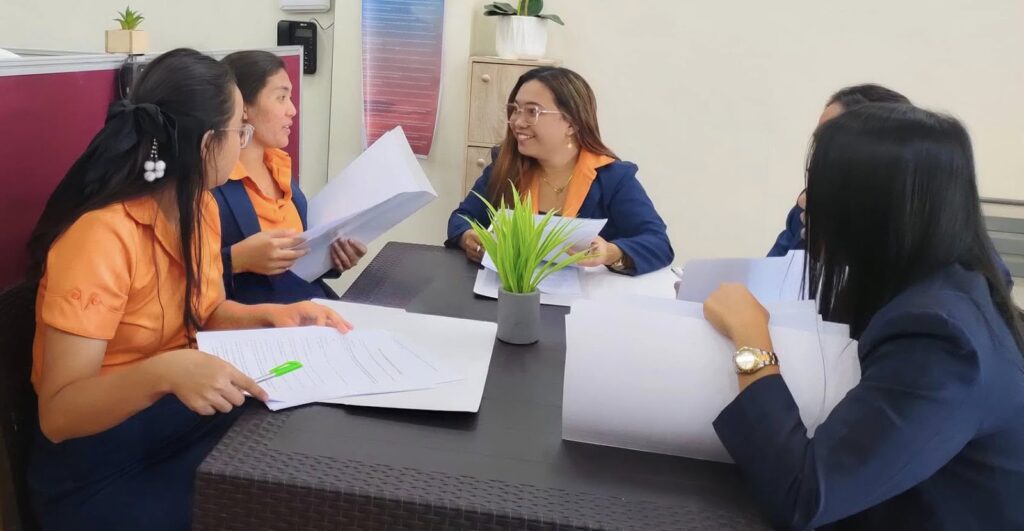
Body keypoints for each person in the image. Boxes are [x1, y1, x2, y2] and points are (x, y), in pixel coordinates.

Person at [24, 49, 350, 531]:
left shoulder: (199, 209)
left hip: (176, 419)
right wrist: (165, 372)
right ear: (204, 145)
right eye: (239, 131)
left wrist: (273, 316)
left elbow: (204, 311)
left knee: (300, 469)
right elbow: (58, 412)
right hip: (100, 461)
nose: (244, 143)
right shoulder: (101, 238)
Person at [706, 103, 1024, 529]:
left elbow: (803, 495)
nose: (804, 202)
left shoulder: (941, 338)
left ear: (873, 205)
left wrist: (751, 340)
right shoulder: (944, 285)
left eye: (819, 185)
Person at [445, 67, 673, 275]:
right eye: (515, 110)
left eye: (532, 111)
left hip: (584, 305)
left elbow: (658, 244)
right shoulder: (506, 166)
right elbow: (462, 218)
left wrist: (612, 252)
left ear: (572, 123)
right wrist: (469, 237)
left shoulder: (613, 178)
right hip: (509, 293)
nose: (517, 121)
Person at [213, 50, 366, 304]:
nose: (292, 110)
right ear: (243, 107)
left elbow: (295, 262)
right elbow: (180, 273)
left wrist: (333, 258)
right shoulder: (214, 180)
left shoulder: (280, 169)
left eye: (290, 98)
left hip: (310, 308)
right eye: (281, 97)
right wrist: (235, 260)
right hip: (256, 323)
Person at [767, 84, 910, 258]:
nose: (819, 155)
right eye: (819, 141)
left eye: (831, 142)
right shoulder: (806, 208)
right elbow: (774, 274)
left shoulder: (916, 224)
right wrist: (809, 235)